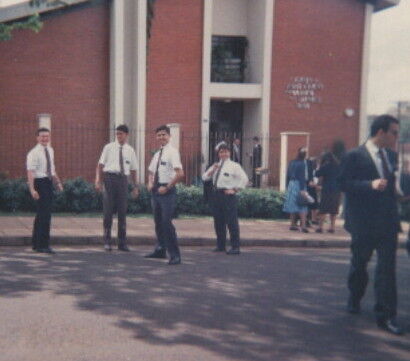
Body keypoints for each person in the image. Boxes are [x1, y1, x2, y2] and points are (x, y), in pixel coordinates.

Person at [339, 114, 404, 335]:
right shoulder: (354, 156)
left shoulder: (392, 156)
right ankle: (354, 297)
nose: (397, 137)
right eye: (394, 132)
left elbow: (393, 185)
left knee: (387, 270)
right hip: (363, 223)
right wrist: (370, 184)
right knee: (360, 264)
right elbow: (344, 184)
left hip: (388, 222)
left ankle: (386, 316)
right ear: (381, 132)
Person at [95, 124, 139, 252]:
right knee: (108, 211)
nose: (119, 136)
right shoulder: (108, 147)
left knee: (122, 212)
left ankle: (122, 242)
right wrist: (98, 180)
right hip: (110, 179)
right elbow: (100, 165)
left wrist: (135, 186)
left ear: (127, 135)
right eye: (117, 133)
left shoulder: (130, 150)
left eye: (121, 134)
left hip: (123, 180)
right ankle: (107, 241)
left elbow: (134, 169)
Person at [145, 125, 184, 265]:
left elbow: (180, 174)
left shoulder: (172, 152)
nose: (161, 137)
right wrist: (150, 183)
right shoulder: (157, 154)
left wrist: (167, 187)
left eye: (164, 135)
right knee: (158, 223)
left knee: (167, 223)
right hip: (156, 191)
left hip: (167, 192)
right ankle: (160, 249)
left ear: (169, 136)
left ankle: (175, 255)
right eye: (159, 135)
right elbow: (150, 171)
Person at [202, 143, 248, 254]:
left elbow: (244, 179)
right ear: (218, 154)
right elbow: (204, 177)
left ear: (229, 153)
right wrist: (213, 170)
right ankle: (220, 245)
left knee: (231, 222)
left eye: (226, 152)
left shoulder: (234, 166)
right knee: (218, 221)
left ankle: (235, 247)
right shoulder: (215, 165)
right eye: (221, 152)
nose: (224, 154)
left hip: (228, 196)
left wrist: (235, 190)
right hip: (216, 195)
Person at [27, 127, 63, 254]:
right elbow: (30, 172)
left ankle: (36, 244)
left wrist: (57, 182)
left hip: (48, 183)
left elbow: (52, 169)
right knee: (44, 215)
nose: (45, 139)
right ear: (37, 138)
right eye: (42, 136)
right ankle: (43, 245)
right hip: (39, 183)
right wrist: (32, 190)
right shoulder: (33, 153)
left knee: (42, 214)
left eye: (47, 136)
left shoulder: (50, 150)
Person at [283, 147, 309, 232]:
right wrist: (302, 189)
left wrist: (287, 186)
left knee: (292, 204)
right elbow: (302, 177)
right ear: (304, 155)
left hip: (291, 184)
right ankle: (304, 226)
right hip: (299, 184)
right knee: (302, 205)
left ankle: (292, 224)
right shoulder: (302, 164)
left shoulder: (292, 162)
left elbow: (287, 175)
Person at [315, 151, 342, 233]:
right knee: (333, 209)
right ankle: (332, 227)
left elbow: (317, 174)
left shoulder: (325, 166)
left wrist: (319, 166)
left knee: (323, 208)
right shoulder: (339, 166)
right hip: (337, 189)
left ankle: (320, 227)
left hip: (327, 189)